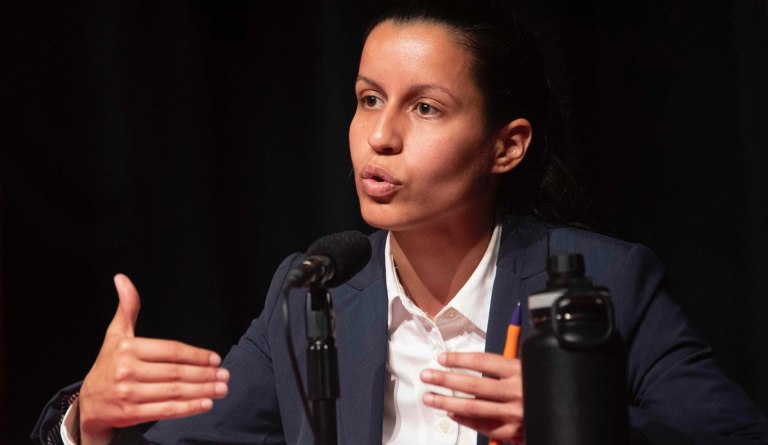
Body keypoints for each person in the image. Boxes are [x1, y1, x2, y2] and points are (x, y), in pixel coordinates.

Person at [33, 1, 768, 444]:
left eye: (425, 107)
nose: (380, 136)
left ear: (506, 145)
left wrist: (582, 423)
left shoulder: (606, 280)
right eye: (367, 98)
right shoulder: (312, 293)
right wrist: (87, 421)